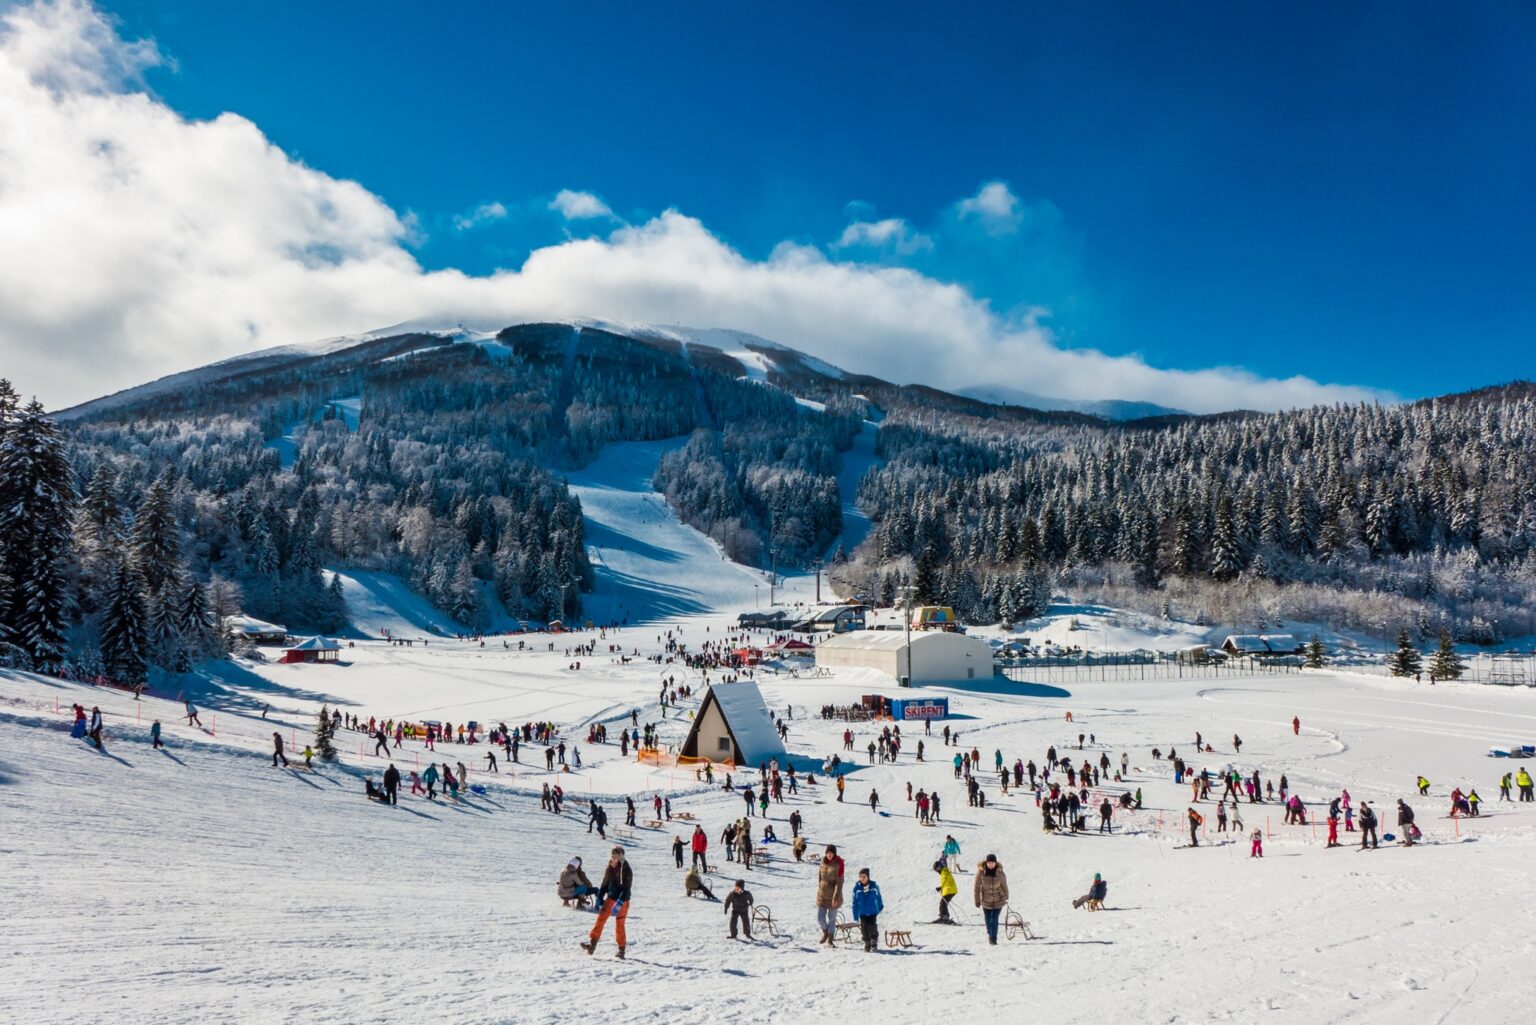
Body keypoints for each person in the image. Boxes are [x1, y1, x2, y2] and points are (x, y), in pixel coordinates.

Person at [581, 847, 633, 959]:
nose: (614, 857)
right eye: (613, 855)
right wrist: (599, 897)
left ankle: (621, 950)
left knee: (620, 924)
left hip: (622, 900)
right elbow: (605, 883)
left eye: (617, 855)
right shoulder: (609, 867)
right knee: (600, 919)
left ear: (622, 856)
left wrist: (620, 902)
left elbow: (627, 888)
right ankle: (592, 945)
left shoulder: (626, 869)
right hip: (610, 899)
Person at [973, 853, 1009, 945]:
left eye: (992, 863)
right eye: (989, 863)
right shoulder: (981, 872)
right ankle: (990, 933)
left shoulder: (1000, 872)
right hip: (985, 900)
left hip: (998, 900)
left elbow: (1004, 885)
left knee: (994, 919)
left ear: (995, 863)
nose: (990, 865)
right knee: (988, 920)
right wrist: (977, 900)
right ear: (986, 863)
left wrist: (1006, 897)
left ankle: (993, 939)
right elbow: (976, 887)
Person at [815, 845, 845, 946]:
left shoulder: (838, 865)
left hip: (833, 897)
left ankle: (830, 940)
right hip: (822, 896)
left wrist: (835, 898)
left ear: (834, 854)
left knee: (832, 919)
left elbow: (839, 883)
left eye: (831, 853)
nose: (829, 855)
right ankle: (825, 933)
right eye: (828, 853)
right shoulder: (822, 863)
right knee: (820, 918)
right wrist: (820, 889)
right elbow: (820, 878)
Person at [851, 868, 884, 952]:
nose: (862, 878)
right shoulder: (857, 888)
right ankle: (867, 942)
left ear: (868, 877)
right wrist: (855, 915)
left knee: (872, 926)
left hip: (872, 911)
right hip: (862, 913)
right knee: (864, 929)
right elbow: (854, 902)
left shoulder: (874, 886)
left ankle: (873, 941)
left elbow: (879, 897)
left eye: (864, 876)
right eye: (860, 877)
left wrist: (880, 906)